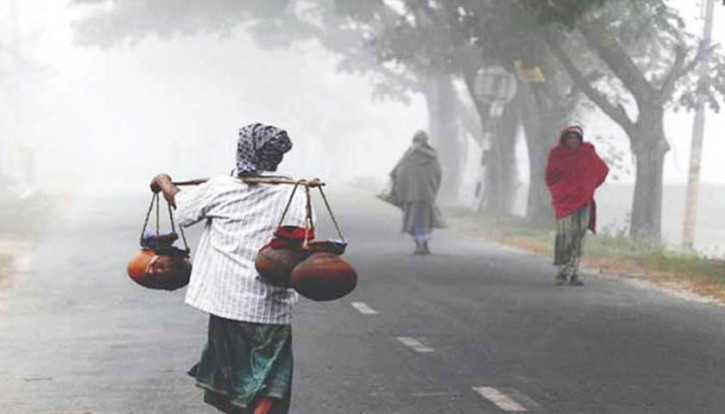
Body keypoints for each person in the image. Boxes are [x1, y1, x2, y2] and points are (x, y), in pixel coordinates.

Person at [150, 123, 308, 414]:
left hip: (228, 300)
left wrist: (162, 181)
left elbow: (182, 207)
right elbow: (302, 238)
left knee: (233, 374)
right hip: (271, 302)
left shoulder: (221, 188)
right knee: (270, 375)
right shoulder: (294, 192)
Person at [545, 125, 609, 286]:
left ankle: (571, 272)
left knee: (578, 237)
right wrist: (559, 191)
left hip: (583, 201)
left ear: (580, 139)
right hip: (564, 201)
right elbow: (550, 177)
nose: (573, 140)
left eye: (576, 138)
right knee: (565, 234)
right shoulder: (557, 154)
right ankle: (565, 268)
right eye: (569, 137)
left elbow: (602, 170)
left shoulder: (587, 152)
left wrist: (589, 186)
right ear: (564, 139)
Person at [389, 130, 446, 255]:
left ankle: (419, 244)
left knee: (414, 221)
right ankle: (424, 244)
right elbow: (438, 175)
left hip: (411, 196)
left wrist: (400, 191)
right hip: (427, 195)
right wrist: (433, 189)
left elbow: (397, 173)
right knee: (425, 221)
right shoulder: (433, 156)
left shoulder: (408, 156)